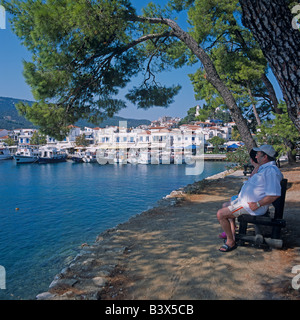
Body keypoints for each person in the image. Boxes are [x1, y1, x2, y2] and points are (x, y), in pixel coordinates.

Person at [217, 145, 283, 252]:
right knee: (225, 205)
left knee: (221, 214)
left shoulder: (271, 171)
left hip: (250, 206)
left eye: (258, 154)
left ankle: (230, 241)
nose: (256, 157)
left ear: (265, 157)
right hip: (245, 203)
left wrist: (257, 204)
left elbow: (274, 194)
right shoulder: (265, 168)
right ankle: (232, 233)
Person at [218, 148, 259, 240]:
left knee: (224, 208)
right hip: (250, 200)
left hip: (251, 204)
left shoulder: (257, 170)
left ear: (252, 160)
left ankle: (231, 234)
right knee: (230, 201)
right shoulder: (259, 169)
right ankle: (232, 227)